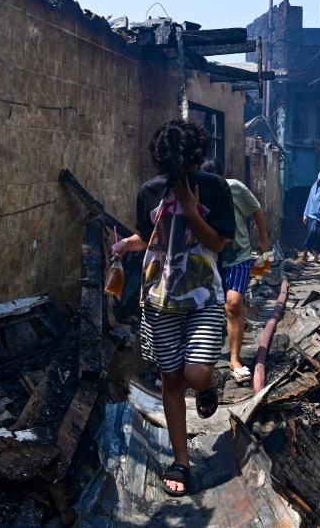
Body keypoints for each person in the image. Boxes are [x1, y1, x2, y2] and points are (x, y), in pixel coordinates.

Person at [111, 119, 235, 497]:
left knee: (195, 374)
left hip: (203, 298)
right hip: (161, 300)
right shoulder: (148, 191)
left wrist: (191, 210)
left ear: (195, 157)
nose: (176, 172)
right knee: (170, 379)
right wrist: (125, 247)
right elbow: (147, 236)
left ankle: (209, 386)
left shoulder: (214, 188)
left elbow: (217, 245)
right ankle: (181, 460)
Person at [201, 159, 269, 386]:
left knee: (233, 303)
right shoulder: (196, 193)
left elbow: (256, 209)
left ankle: (234, 358)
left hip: (238, 255)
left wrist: (263, 238)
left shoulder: (235, 188)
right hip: (211, 256)